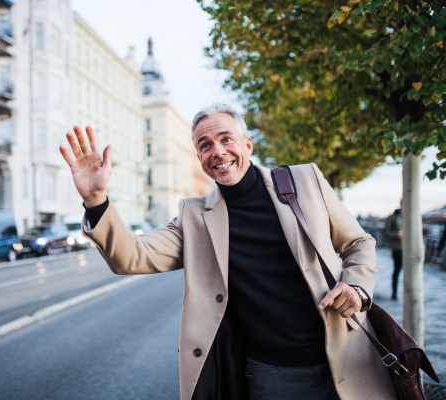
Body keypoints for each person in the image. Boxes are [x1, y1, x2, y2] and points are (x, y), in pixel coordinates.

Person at [60, 103, 396, 400]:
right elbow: (131, 256)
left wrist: (356, 287)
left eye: (226, 139)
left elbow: (358, 243)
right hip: (273, 374)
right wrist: (95, 200)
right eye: (205, 145)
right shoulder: (195, 217)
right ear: (200, 159)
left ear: (248, 145)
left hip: (346, 354)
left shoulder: (303, 180)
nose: (217, 151)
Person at [383, 202, 403, 300]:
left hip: (410, 249)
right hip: (397, 248)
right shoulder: (393, 217)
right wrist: (396, 234)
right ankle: (394, 292)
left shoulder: (410, 216)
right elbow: (386, 232)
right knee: (397, 270)